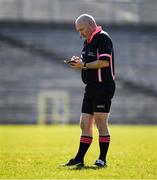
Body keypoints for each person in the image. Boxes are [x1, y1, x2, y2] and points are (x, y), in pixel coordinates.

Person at [65, 14, 116, 167]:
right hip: (91, 87)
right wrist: (79, 62)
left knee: (100, 122)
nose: (80, 33)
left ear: (91, 24)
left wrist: (84, 65)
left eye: (81, 29)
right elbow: (87, 62)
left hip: (103, 86)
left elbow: (104, 62)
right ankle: (79, 159)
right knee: (84, 123)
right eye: (78, 30)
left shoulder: (103, 37)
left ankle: (102, 159)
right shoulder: (87, 41)